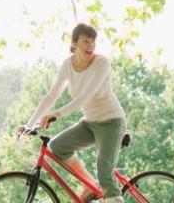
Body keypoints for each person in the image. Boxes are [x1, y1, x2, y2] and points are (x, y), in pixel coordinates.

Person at [19, 23, 126, 203]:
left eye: (93, 42)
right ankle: (89, 184)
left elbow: (86, 95)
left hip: (111, 122)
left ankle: (113, 197)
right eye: (85, 41)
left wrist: (56, 114)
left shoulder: (102, 63)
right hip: (90, 123)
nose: (90, 46)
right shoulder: (68, 65)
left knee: (104, 172)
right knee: (58, 146)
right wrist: (29, 124)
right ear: (74, 44)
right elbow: (51, 95)